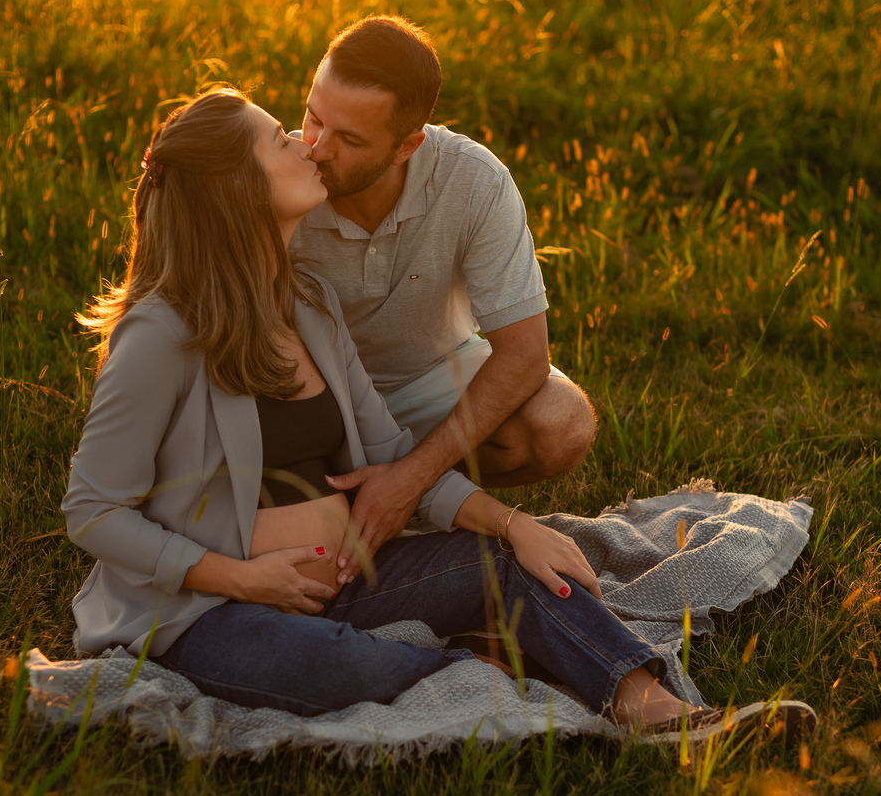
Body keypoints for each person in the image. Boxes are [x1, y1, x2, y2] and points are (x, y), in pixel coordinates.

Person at [62, 89, 815, 743]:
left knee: (515, 566)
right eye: (277, 137)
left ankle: (665, 714)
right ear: (235, 189)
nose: (300, 140)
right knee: (347, 666)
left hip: (355, 575)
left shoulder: (312, 307)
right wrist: (244, 579)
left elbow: (394, 457)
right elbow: (94, 511)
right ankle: (489, 665)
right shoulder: (159, 333)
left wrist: (515, 525)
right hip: (212, 609)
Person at [289, 17, 598, 586]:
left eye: (351, 139)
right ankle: (399, 504)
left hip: (431, 375)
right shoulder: (281, 179)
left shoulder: (473, 180)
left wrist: (409, 477)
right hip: (317, 398)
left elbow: (525, 355)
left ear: (408, 145)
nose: (317, 148)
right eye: (312, 117)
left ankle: (409, 499)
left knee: (562, 421)